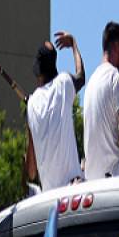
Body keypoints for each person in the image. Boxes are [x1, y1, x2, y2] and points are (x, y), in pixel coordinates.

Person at [25, 32, 85, 191]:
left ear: (38, 72)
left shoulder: (31, 104)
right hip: (73, 191)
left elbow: (31, 172)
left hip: (49, 200)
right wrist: (73, 44)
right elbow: (81, 76)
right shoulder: (63, 83)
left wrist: (30, 122)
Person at [84, 21, 119, 179]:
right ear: (116, 47)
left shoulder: (91, 82)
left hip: (91, 177)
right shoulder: (114, 78)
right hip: (113, 173)